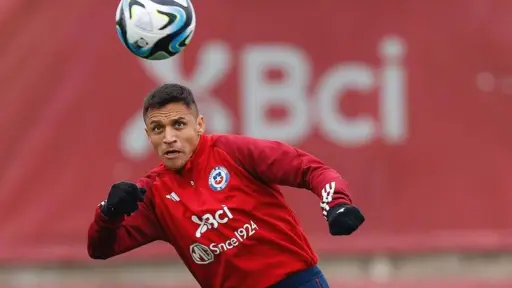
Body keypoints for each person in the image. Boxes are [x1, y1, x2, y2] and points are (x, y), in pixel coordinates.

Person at [87, 83, 365, 288]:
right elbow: (100, 249)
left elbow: (311, 169)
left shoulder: (232, 151)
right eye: (158, 129)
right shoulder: (152, 194)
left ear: (199, 125)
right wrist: (109, 213)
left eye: (178, 124)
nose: (169, 137)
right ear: (148, 135)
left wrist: (337, 204)